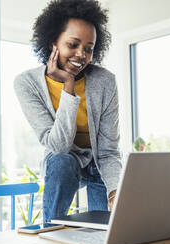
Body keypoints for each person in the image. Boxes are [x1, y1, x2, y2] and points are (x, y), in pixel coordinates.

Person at [14, 0, 122, 223]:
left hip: (100, 163)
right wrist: (68, 85)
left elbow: (108, 150)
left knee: (106, 230)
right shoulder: (27, 83)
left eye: (88, 49)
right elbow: (59, 146)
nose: (81, 54)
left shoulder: (105, 81)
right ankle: (51, 230)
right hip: (63, 163)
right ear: (53, 41)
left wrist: (114, 190)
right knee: (62, 160)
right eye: (73, 44)